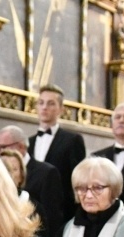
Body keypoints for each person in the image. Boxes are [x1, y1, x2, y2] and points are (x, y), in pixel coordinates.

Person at [26, 84, 87, 222]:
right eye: (41, 103)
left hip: (60, 211)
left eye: (51, 103)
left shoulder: (72, 140)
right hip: (30, 211)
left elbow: (77, 179)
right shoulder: (29, 142)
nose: (44, 107)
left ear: (61, 109)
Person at [0, 125, 63, 237]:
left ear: (21, 146)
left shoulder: (46, 172)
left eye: (3, 147)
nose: (0, 151)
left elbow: (52, 219)